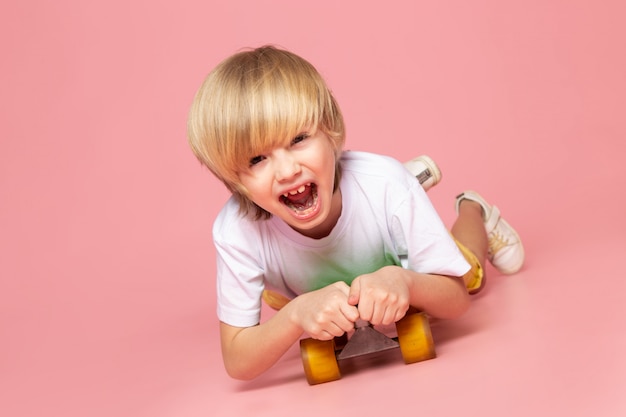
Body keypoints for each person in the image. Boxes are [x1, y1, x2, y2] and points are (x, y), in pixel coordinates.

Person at [187, 45, 525, 381]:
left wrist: (406, 282)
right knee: (288, 302)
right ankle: (397, 199)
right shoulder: (235, 230)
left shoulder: (386, 182)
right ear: (235, 182)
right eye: (256, 159)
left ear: (330, 129)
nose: (287, 171)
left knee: (471, 274)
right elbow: (237, 360)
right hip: (298, 285)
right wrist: (294, 317)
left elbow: (457, 300)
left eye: (298, 139)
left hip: (394, 259)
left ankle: (474, 209)